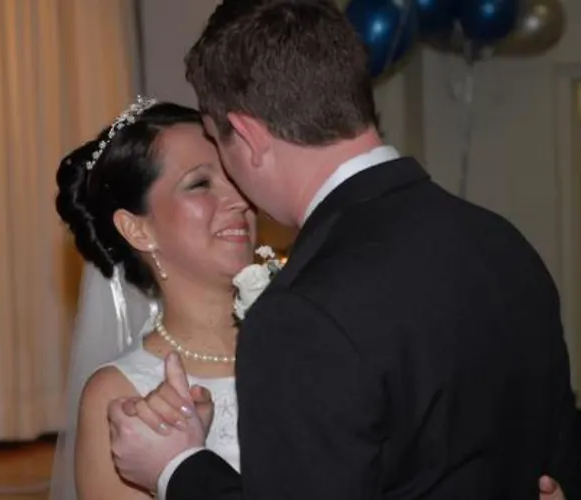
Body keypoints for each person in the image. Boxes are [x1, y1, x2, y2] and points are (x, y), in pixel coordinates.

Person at [106, 1, 581, 499]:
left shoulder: (302, 313)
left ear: (247, 135)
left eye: (217, 140)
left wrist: (177, 468)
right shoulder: (502, 242)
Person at [51, 99, 255, 499]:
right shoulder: (122, 397)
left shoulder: (309, 338)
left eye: (235, 175)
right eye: (200, 184)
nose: (239, 199)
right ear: (137, 230)